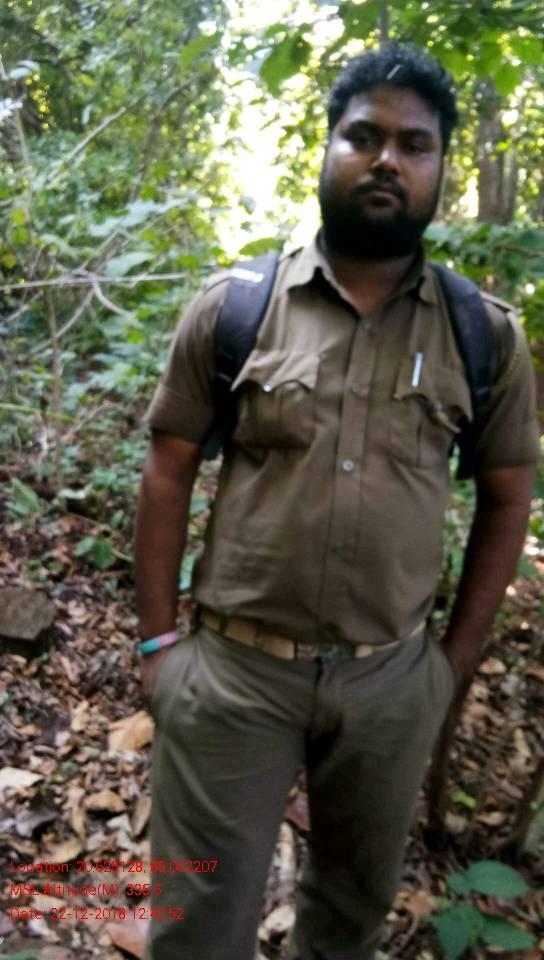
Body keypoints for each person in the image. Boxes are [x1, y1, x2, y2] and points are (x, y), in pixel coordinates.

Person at [135, 42, 540, 960]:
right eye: (364, 136)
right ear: (327, 148)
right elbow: (168, 469)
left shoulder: (483, 335)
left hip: (392, 683)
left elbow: (509, 498)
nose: (387, 159)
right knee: (195, 925)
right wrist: (159, 646)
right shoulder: (234, 309)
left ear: (442, 167)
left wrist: (449, 667)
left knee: (350, 921)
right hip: (233, 677)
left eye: (414, 144)